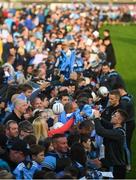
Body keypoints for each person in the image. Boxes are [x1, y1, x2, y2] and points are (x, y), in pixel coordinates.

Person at [93, 109, 128, 179]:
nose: (112, 116)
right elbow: (108, 124)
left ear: (119, 121)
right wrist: (100, 118)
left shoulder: (119, 133)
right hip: (109, 164)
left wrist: (96, 118)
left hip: (115, 168)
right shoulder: (114, 128)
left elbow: (100, 131)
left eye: (114, 116)